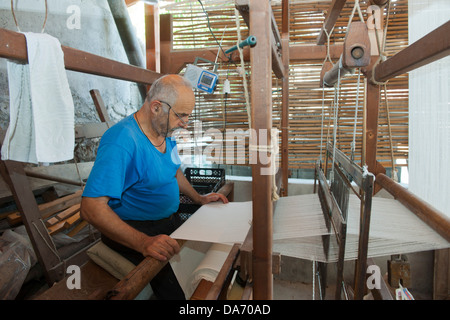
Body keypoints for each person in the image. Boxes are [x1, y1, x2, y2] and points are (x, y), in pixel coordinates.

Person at [80, 74, 228, 299]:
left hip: (166, 222)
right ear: (156, 107)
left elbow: (173, 169)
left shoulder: (164, 133)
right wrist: (143, 242)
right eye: (181, 115)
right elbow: (91, 208)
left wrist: (199, 198)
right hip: (135, 230)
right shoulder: (121, 141)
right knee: (180, 292)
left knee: (204, 269)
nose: (185, 123)